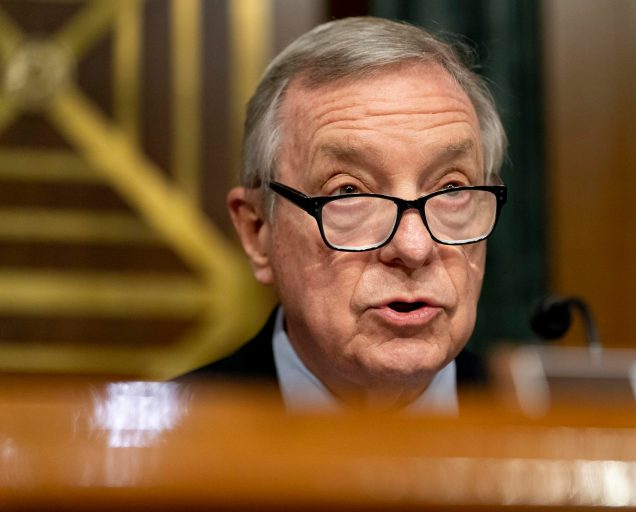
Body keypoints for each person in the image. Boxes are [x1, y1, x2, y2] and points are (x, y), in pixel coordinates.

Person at [192, 16, 508, 414]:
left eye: (451, 189)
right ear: (257, 230)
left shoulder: (551, 433)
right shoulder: (160, 449)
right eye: (348, 192)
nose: (413, 247)